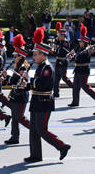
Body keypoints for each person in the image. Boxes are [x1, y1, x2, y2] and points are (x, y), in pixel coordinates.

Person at [25, 27, 70, 163]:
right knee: (33, 130)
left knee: (41, 129)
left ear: (43, 54)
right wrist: (25, 85)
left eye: (36, 54)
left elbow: (42, 84)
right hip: (36, 100)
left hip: (44, 101)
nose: (34, 57)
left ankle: (62, 146)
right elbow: (34, 84)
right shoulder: (40, 66)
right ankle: (36, 155)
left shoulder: (47, 68)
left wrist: (29, 80)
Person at [2, 34, 31, 145]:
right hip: (16, 93)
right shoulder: (18, 65)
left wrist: (6, 76)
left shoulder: (22, 67)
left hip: (21, 94)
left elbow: (15, 81)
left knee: (19, 117)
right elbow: (12, 81)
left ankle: (35, 130)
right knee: (15, 117)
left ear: (20, 56)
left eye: (16, 56)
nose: (14, 58)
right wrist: (4, 79)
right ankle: (15, 137)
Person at [69, 25, 95, 108]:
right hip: (78, 69)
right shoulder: (79, 49)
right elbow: (75, 56)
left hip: (84, 69)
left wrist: (74, 57)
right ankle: (75, 101)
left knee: (85, 87)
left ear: (85, 43)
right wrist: (71, 56)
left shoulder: (87, 51)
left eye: (81, 41)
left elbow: (80, 58)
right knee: (75, 86)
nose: (79, 42)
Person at [53, 22, 73, 98]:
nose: (59, 36)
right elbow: (55, 52)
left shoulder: (65, 43)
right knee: (56, 78)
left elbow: (63, 51)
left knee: (64, 77)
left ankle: (74, 88)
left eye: (60, 35)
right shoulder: (58, 41)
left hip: (63, 61)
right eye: (58, 35)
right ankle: (56, 93)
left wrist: (57, 46)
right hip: (58, 61)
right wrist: (54, 48)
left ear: (63, 35)